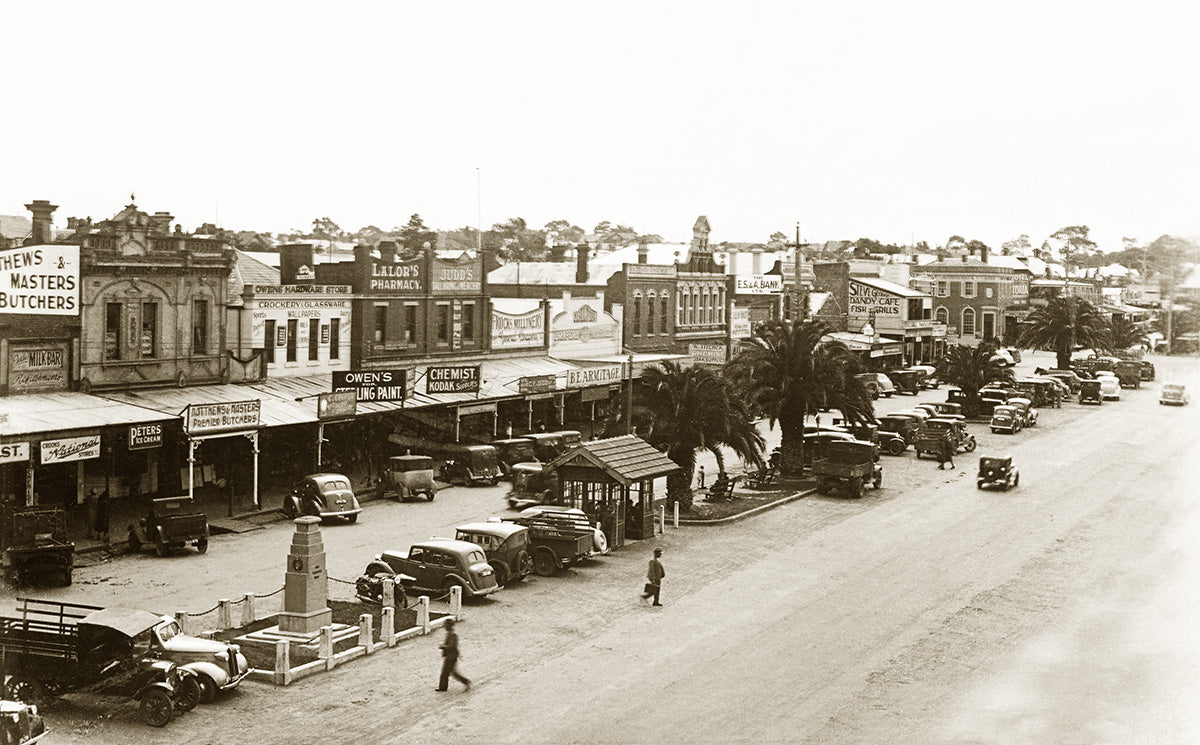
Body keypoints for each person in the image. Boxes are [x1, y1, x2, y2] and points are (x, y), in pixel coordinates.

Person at [436, 619, 470, 692]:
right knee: (448, 672)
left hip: (451, 656)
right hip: (450, 656)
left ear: (449, 626)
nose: (444, 627)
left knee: (447, 672)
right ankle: (443, 687)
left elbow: (451, 646)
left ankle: (465, 682)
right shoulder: (450, 634)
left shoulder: (452, 635)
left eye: (445, 625)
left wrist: (443, 646)